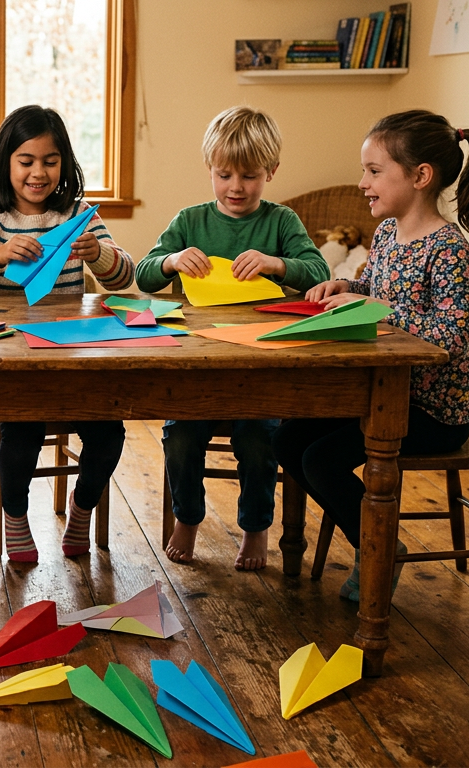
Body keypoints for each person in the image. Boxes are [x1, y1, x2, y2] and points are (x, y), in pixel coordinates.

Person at [274, 109, 469, 601]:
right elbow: (372, 288)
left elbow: (453, 335)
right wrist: (345, 286)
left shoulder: (449, 249)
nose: (362, 182)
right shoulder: (390, 234)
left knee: (322, 461)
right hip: (380, 397)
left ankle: (380, 549)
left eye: (374, 172)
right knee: (288, 442)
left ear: (420, 177)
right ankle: (373, 539)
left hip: (433, 411)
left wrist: (379, 311)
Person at [135, 106, 330, 571]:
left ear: (271, 172)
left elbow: (319, 272)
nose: (236, 187)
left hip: (260, 367)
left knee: (259, 440)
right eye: (224, 175)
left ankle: (256, 527)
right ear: (210, 170)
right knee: (180, 436)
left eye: (250, 175)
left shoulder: (281, 223)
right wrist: (171, 261)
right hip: (196, 365)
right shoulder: (190, 220)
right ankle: (186, 518)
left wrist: (277, 264)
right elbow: (144, 275)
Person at [0, 104, 135, 563]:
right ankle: (15, 517)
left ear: (65, 164)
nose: (38, 173)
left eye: (50, 161)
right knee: (19, 441)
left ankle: (82, 508)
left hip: (75, 354)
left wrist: (98, 254)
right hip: (14, 359)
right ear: (5, 163)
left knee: (110, 437)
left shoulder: (80, 214)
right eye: (26, 161)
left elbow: (124, 277)